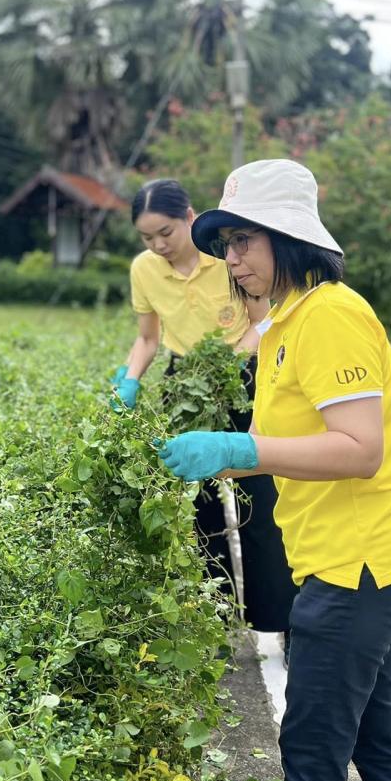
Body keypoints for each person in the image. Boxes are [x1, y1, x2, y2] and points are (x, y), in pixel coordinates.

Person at [157, 159, 391, 781]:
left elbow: (359, 447)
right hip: (342, 563)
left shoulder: (331, 317)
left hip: (356, 570)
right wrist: (216, 452)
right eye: (225, 245)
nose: (232, 259)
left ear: (287, 238)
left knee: (309, 765)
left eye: (244, 241)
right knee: (379, 740)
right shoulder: (284, 324)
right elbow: (275, 436)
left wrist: (241, 452)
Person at [112, 177, 298, 639]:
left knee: (262, 502)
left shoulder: (228, 260)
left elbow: (263, 323)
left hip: (242, 382)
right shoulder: (145, 270)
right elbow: (148, 338)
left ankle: (279, 623)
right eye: (147, 237)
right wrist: (130, 381)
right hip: (186, 388)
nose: (157, 245)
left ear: (189, 218)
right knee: (201, 512)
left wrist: (230, 359)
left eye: (166, 233)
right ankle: (214, 624)